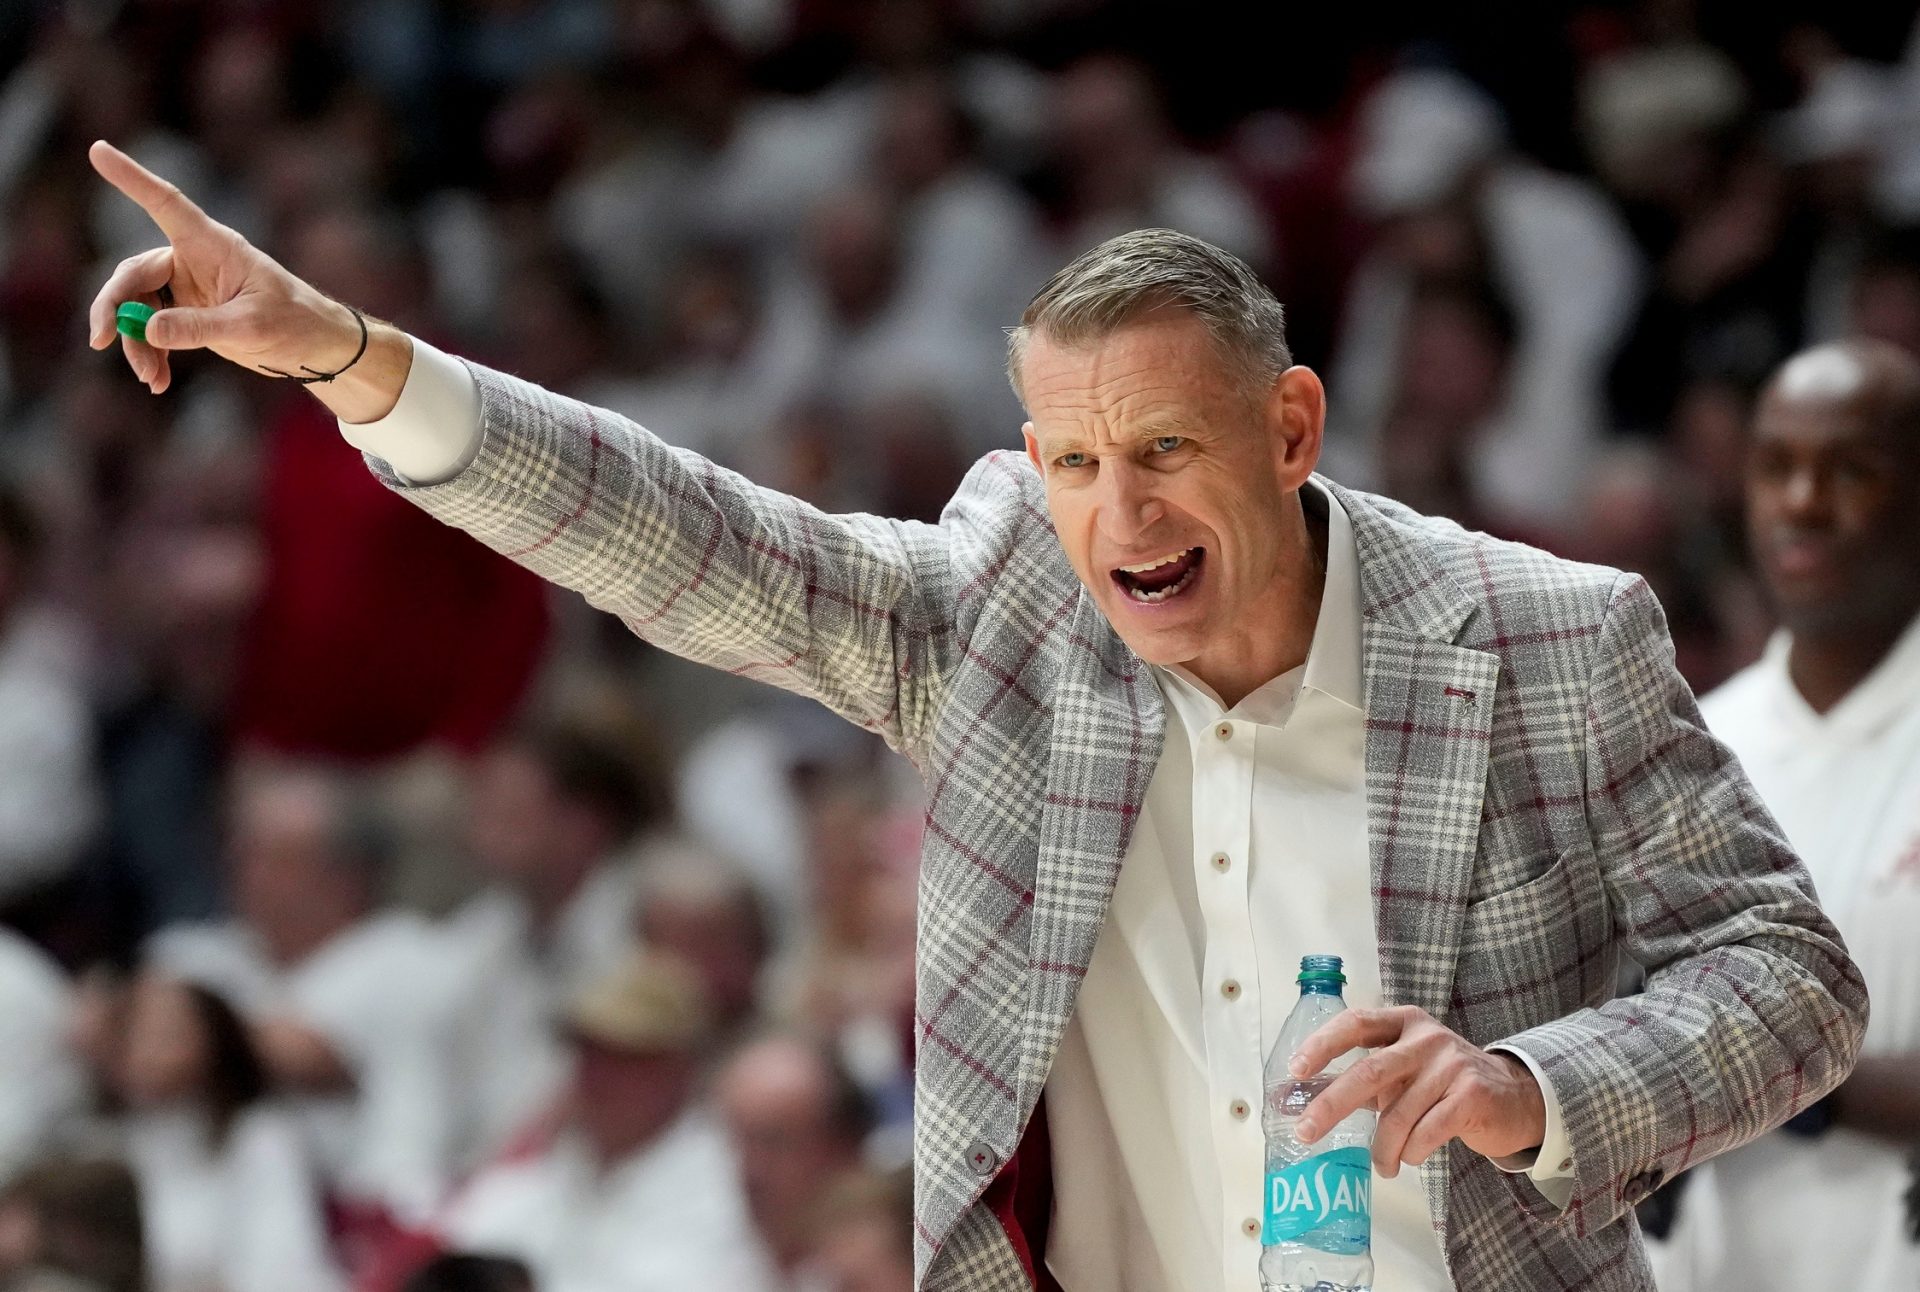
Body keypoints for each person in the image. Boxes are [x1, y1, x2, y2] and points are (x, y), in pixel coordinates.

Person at [82, 142, 1868, 1292]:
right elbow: (698, 542)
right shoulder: (1012, 601)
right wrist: (349, 360)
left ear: (1294, 427)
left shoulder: (1547, 636)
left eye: (1167, 450)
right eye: (1078, 463)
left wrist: (1527, 1087)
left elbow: (1793, 977)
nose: (1123, 516)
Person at [1643, 339, 1920, 1290]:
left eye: (1852, 471)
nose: (1802, 502)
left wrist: (1775, 1074)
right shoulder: (1694, 742)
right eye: (1776, 468)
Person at [430, 951, 767, 1292]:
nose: (596, 1077)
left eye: (624, 1058)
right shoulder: (541, 1174)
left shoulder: (730, 1187)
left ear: (680, 1069)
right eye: (587, 1054)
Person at [104, 970, 343, 1292]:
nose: (145, 1051)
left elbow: (286, 1266)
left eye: (165, 1035)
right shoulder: (105, 1145)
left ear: (214, 1041)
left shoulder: (262, 1136)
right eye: (130, 1033)